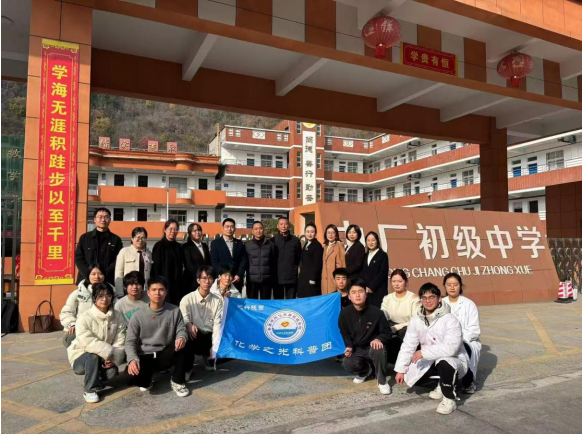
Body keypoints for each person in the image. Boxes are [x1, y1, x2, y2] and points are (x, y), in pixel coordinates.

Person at [394, 283, 469, 415]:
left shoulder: (450, 320)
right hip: (430, 360)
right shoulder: (416, 320)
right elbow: (408, 345)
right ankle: (441, 383)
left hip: (454, 361)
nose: (428, 301)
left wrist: (423, 352)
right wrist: (401, 369)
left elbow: (451, 348)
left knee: (444, 362)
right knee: (410, 376)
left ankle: (449, 399)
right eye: (424, 298)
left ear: (439, 299)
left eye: (432, 297)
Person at [125, 275, 189, 397]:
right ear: (148, 293)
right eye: (154, 290)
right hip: (145, 355)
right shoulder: (138, 315)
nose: (157, 293)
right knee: (129, 378)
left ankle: (178, 381)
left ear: (166, 292)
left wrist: (181, 337)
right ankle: (147, 379)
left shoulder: (175, 310)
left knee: (183, 344)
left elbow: (181, 329)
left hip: (165, 353)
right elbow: (130, 341)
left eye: (161, 290)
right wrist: (132, 359)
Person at [67, 282, 126, 403]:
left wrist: (113, 358)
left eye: (108, 295)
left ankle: (95, 379)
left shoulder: (118, 316)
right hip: (81, 357)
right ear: (94, 298)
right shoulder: (85, 317)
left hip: (104, 357)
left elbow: (120, 339)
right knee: (93, 356)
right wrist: (108, 352)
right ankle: (89, 389)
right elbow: (86, 341)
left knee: (112, 372)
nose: (104, 299)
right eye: (100, 296)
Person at [338, 278, 392, 395]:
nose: (357, 295)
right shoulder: (344, 313)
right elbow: (344, 332)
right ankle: (365, 372)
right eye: (353, 292)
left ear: (366, 294)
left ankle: (381, 380)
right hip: (357, 348)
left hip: (372, 347)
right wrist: (349, 346)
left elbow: (387, 333)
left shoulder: (377, 313)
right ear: (349, 296)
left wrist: (378, 339)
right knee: (347, 363)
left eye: (360, 291)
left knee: (378, 348)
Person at [180, 266, 223, 375]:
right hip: (193, 335)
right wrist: (188, 324)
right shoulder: (187, 299)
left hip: (209, 336)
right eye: (204, 278)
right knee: (184, 334)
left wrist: (215, 345)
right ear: (198, 280)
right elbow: (183, 317)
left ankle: (208, 357)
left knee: (220, 335)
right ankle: (188, 367)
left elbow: (217, 324)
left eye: (210, 278)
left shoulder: (218, 300)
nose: (207, 281)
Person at [442, 272, 480, 394]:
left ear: (460, 286)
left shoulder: (469, 304)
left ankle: (468, 383)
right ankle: (447, 382)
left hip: (466, 340)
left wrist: (458, 340)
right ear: (445, 286)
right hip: (445, 340)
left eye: (455, 284)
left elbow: (474, 329)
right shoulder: (440, 304)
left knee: (463, 351)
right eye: (449, 285)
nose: (452, 287)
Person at [60, 264, 114, 348]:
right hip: (82, 328)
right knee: (71, 339)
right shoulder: (78, 293)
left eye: (100, 274)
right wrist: (72, 324)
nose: (97, 277)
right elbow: (66, 312)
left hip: (104, 329)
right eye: (93, 274)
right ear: (88, 275)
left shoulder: (112, 293)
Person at [75, 208, 123, 286]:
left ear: (110, 220)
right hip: (86, 281)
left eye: (106, 217)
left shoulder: (116, 239)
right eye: (100, 217)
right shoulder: (85, 238)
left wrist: (103, 274)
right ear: (95, 219)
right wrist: (90, 274)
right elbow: (79, 258)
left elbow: (118, 260)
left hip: (108, 281)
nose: (103, 220)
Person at [381, 269, 419, 363]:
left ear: (405, 282)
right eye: (394, 281)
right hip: (391, 326)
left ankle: (407, 363)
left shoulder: (414, 298)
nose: (396, 284)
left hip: (409, 327)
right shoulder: (387, 298)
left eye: (400, 281)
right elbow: (383, 315)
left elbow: (416, 320)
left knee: (405, 333)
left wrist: (397, 327)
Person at [152, 219, 186, 305]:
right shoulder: (159, 246)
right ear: (165, 230)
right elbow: (156, 268)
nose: (173, 231)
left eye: (176, 229)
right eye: (170, 229)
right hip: (164, 283)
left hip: (177, 284)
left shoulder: (179, 247)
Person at [210, 218, 247, 291]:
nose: (229, 229)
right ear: (222, 228)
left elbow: (243, 260)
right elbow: (214, 261)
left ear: (234, 229)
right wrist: (223, 275)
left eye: (232, 227)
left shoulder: (239, 243)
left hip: (236, 279)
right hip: (222, 280)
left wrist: (239, 274)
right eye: (227, 226)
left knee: (236, 297)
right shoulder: (215, 243)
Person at [114, 227, 152, 296]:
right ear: (132, 238)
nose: (140, 240)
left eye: (143, 238)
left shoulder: (149, 253)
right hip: (128, 291)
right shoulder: (124, 251)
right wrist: (120, 292)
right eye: (138, 237)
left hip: (144, 291)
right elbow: (118, 273)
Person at [244, 221, 276, 299]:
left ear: (263, 230)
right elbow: (245, 262)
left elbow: (273, 262)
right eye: (256, 229)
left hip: (266, 280)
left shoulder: (271, 245)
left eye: (260, 228)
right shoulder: (247, 245)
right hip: (252, 280)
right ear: (252, 231)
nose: (258, 231)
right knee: (252, 303)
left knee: (265, 303)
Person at [272, 217, 302, 300]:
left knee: (291, 303)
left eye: (285, 224)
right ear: (277, 226)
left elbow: (299, 257)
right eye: (281, 224)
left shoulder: (295, 240)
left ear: (289, 226)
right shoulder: (273, 241)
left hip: (291, 278)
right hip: (277, 278)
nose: (283, 226)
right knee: (278, 303)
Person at [361, 231, 389, 308]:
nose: (371, 242)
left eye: (373, 240)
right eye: (368, 240)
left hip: (378, 291)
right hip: (366, 292)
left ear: (377, 241)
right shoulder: (365, 255)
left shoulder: (383, 255)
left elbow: (383, 273)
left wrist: (371, 287)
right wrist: (364, 287)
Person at [182, 223, 211, 293]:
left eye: (199, 230)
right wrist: (201, 276)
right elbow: (189, 265)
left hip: (205, 281)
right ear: (190, 233)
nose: (197, 232)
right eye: (194, 231)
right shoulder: (186, 247)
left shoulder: (205, 246)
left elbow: (208, 262)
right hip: (191, 281)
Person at [297, 223, 324, 298]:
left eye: (312, 232)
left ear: (315, 233)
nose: (309, 234)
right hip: (304, 276)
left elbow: (317, 264)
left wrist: (313, 278)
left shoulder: (317, 246)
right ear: (305, 232)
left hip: (311, 279)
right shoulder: (307, 243)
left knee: (310, 298)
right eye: (307, 231)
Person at [321, 224, 346, 295]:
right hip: (324, 282)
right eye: (328, 233)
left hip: (333, 281)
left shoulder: (339, 246)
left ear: (336, 234)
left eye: (333, 233)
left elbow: (342, 265)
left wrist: (339, 280)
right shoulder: (325, 247)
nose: (330, 235)